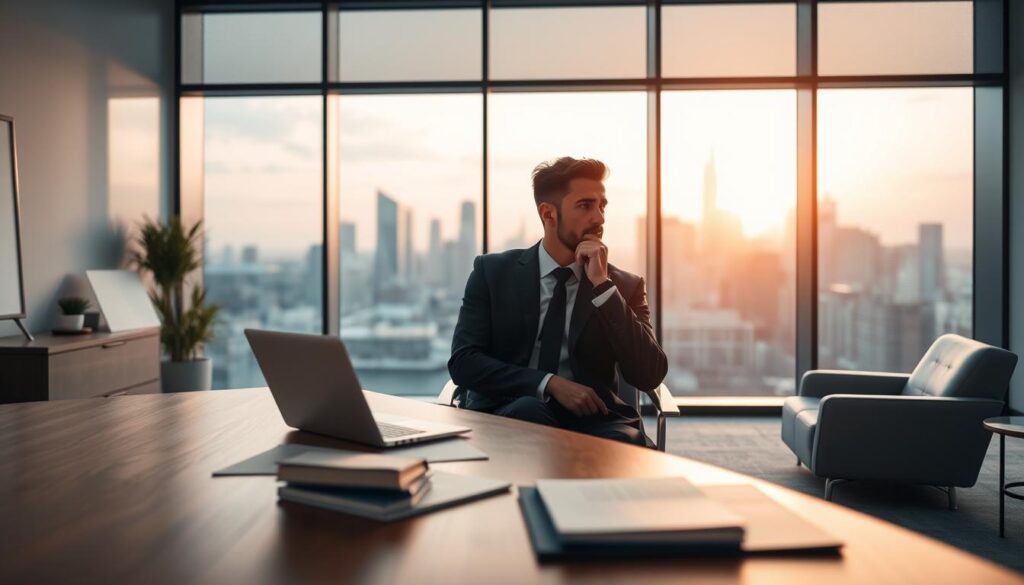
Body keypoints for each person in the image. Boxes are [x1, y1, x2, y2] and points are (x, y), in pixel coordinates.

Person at [447, 156, 668, 446]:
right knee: (529, 413)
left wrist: (602, 287)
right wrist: (549, 384)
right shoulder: (492, 273)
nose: (599, 218)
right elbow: (464, 362)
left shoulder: (623, 286)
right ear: (549, 214)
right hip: (510, 409)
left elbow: (648, 374)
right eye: (585, 205)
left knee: (624, 446)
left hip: (596, 420)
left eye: (602, 207)